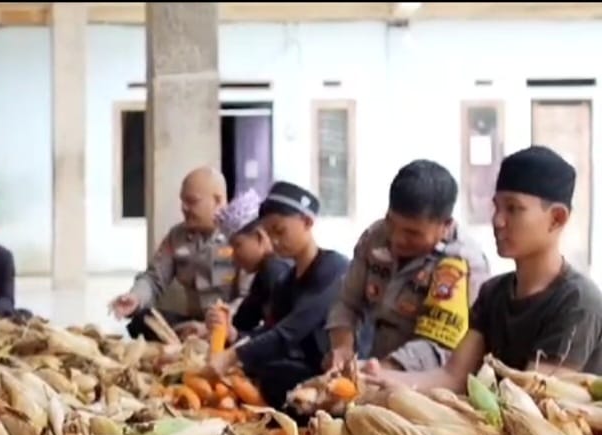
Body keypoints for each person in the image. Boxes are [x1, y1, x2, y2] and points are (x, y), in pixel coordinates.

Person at [372, 146, 602, 392]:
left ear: (557, 218)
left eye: (513, 208)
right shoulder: (494, 293)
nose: (498, 220)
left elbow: (533, 399)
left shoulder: (577, 301)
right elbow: (453, 377)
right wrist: (378, 377)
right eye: (496, 207)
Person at [326, 160, 490, 372]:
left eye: (412, 233)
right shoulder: (375, 237)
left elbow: (439, 346)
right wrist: (342, 348)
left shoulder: (460, 262)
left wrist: (377, 371)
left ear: (445, 226)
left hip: (428, 383)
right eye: (391, 223)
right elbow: (347, 302)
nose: (396, 239)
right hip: (375, 367)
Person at [208, 181, 350, 412]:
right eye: (269, 232)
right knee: (265, 370)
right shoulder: (286, 281)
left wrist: (233, 355)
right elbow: (270, 329)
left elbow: (291, 330)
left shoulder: (335, 269)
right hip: (305, 367)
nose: (274, 240)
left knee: (274, 376)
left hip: (336, 374)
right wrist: (235, 336)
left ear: (307, 222)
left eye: (280, 230)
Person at [109, 166, 247, 341]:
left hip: (229, 325)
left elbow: (247, 299)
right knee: (143, 320)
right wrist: (135, 297)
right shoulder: (177, 236)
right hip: (192, 321)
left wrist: (214, 325)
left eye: (192, 201)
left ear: (218, 200)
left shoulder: (241, 237)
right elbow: (154, 278)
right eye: (182, 201)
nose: (184, 208)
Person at [204, 183, 292, 344]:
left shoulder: (275, 270)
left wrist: (234, 335)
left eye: (237, 245)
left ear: (259, 237)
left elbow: (279, 340)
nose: (233, 257)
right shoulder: (264, 272)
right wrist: (217, 323)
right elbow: (243, 322)